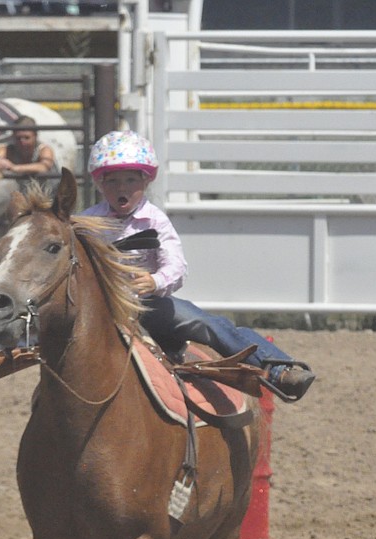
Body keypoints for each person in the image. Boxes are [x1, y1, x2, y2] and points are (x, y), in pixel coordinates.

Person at [80, 130, 315, 400]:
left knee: (204, 322)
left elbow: (176, 265)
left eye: (130, 179)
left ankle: (277, 368)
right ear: (101, 184)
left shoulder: (155, 220)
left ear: (145, 181)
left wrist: (155, 281)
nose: (122, 188)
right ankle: (22, 346)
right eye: (113, 181)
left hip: (147, 304)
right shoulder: (87, 222)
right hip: (99, 307)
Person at [0, 114, 56, 192]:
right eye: (18, 138)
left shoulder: (44, 149)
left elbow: (44, 167)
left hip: (47, 194)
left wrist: (14, 167)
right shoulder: (9, 149)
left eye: (26, 138)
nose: (22, 142)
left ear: (35, 136)